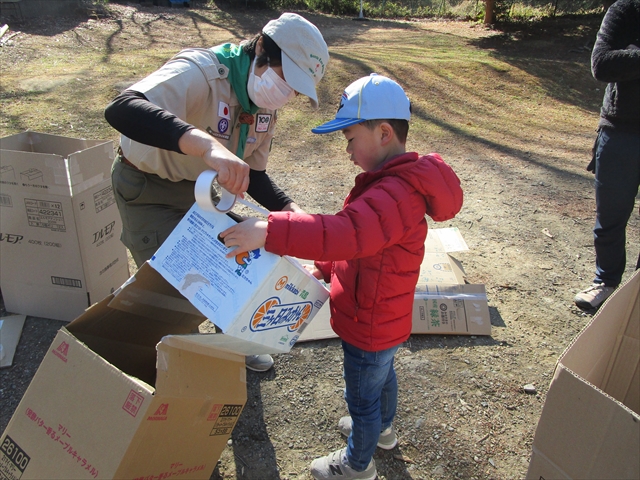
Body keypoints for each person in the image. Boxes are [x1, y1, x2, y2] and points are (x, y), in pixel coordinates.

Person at [219, 74, 463, 480]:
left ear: (384, 132)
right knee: (381, 380)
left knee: (362, 398)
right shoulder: (392, 185)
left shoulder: (394, 194)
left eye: (350, 139)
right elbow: (361, 243)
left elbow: (345, 233)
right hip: (383, 318)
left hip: (368, 322)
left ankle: (356, 463)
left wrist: (269, 231)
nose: (347, 151)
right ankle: (382, 430)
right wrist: (328, 269)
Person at [104, 12, 330, 372]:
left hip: (206, 195)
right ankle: (190, 366)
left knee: (241, 264)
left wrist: (291, 210)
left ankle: (231, 341)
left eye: (295, 90)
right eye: (285, 79)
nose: (285, 94)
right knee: (180, 288)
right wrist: (206, 146)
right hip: (150, 190)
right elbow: (122, 108)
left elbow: (254, 174)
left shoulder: (263, 107)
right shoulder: (202, 72)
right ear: (260, 50)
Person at [574, 0, 640, 310]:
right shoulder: (626, 10)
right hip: (620, 132)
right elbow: (601, 64)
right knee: (610, 219)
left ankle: (636, 296)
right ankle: (606, 282)